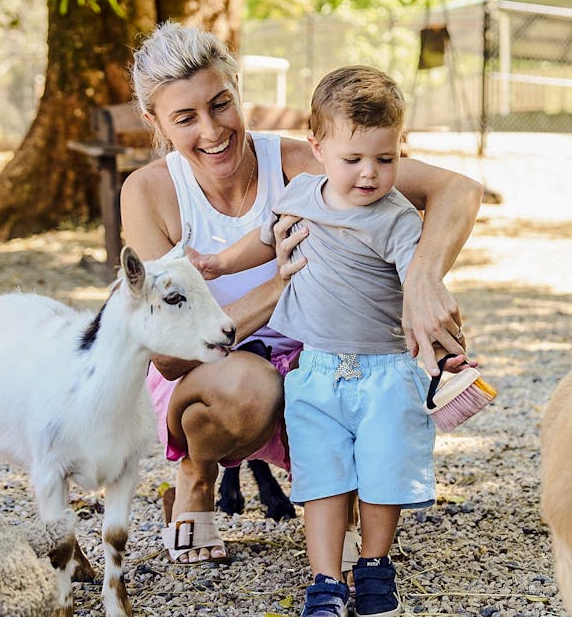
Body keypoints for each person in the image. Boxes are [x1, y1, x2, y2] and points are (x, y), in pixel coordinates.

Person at [120, 21, 483, 575]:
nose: (213, 130)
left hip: (322, 358)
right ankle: (195, 472)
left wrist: (422, 284)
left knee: (373, 410)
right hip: (212, 374)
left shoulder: (303, 162)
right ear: (155, 123)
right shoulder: (147, 193)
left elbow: (457, 189)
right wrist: (278, 288)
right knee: (250, 387)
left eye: (221, 104)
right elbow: (169, 355)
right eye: (185, 118)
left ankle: (333, 500)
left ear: (239, 92)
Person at [188, 65, 474, 617]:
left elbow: (423, 290)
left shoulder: (397, 221)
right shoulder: (299, 195)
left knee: (382, 472)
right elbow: (264, 240)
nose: (370, 174)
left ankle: (373, 566)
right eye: (354, 160)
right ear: (317, 149)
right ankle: (324, 579)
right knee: (322, 476)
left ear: (399, 151)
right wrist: (221, 262)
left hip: (386, 370)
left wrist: (444, 347)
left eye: (385, 159)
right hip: (316, 369)